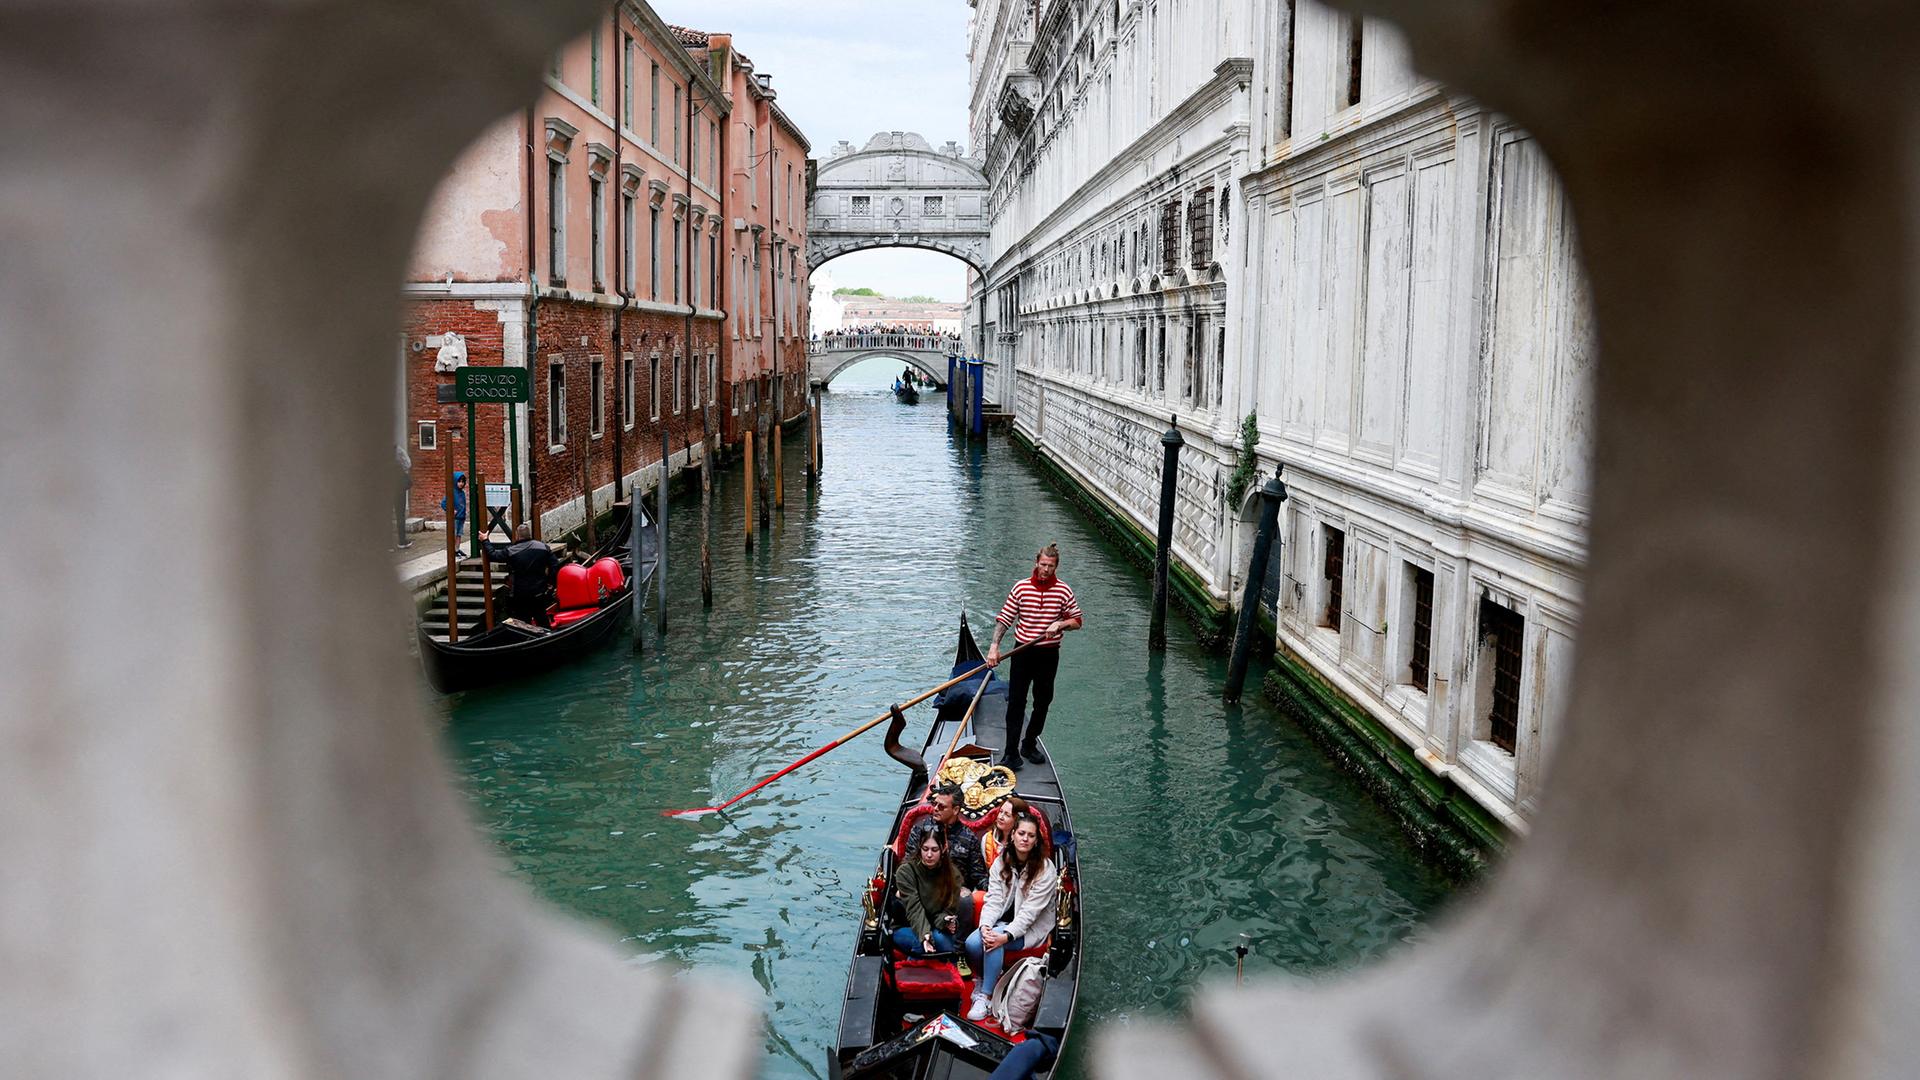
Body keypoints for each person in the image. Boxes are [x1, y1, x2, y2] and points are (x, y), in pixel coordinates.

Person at [985, 544, 1083, 769]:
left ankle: (1028, 743)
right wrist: (994, 647)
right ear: (1036, 563)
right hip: (1022, 652)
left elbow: (1077, 621)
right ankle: (1011, 753)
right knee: (1016, 702)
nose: (1046, 569)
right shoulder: (1021, 588)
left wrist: (1060, 624)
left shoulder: (1063, 591)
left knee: (1043, 702)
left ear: (1056, 566)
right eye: (1043, 564)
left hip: (1048, 654)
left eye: (1051, 566)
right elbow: (1005, 618)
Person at [964, 812, 1057, 1022]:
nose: (1025, 839)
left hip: (1030, 930)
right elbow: (994, 899)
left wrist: (1005, 936)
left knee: (994, 943)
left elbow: (1030, 913)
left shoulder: (1045, 870)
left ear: (1036, 841)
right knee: (971, 943)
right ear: (1013, 835)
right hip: (1000, 923)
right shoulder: (1001, 862)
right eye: (1021, 833)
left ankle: (986, 997)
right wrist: (985, 926)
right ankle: (983, 978)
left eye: (1031, 836)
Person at [891, 818, 963, 956]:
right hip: (906, 925)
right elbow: (914, 908)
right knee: (920, 944)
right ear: (920, 848)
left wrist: (945, 920)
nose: (929, 855)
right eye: (925, 849)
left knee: (944, 943)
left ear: (943, 849)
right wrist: (925, 935)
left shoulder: (953, 875)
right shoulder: (906, 871)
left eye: (934, 850)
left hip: (936, 926)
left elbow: (948, 910)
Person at [484, 523, 560, 625]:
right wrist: (550, 582)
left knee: (523, 621)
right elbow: (555, 565)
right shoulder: (543, 547)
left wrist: (485, 540)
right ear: (529, 534)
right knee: (541, 618)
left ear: (517, 535)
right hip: (539, 591)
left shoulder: (511, 550)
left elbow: (493, 555)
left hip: (521, 593)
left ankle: (526, 638)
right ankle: (547, 636)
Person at [980, 795, 1031, 872]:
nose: (1001, 817)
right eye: (1001, 812)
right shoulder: (987, 839)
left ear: (1018, 820)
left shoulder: (1024, 843)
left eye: (1007, 815)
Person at [439, 471, 468, 558]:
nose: (461, 484)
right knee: (454, 534)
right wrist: (451, 510)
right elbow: (443, 503)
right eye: (459, 481)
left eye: (463, 482)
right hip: (454, 518)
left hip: (461, 517)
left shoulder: (462, 493)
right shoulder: (451, 492)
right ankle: (452, 550)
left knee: (459, 534)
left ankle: (457, 549)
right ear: (455, 481)